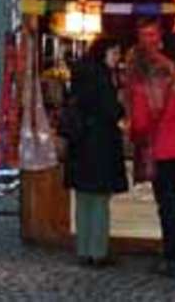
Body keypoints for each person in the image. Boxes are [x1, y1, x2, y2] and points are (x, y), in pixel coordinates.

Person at [128, 21, 175, 280]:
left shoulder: (144, 86)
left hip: (163, 151)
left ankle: (174, 259)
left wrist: (136, 137)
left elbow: (140, 123)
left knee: (168, 206)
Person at [60, 38, 127, 268]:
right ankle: (98, 251)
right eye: (114, 53)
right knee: (99, 200)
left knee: (83, 200)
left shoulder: (79, 74)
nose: (117, 58)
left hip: (80, 146)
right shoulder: (102, 78)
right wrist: (121, 105)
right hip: (100, 146)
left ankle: (83, 249)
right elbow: (112, 111)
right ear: (103, 53)